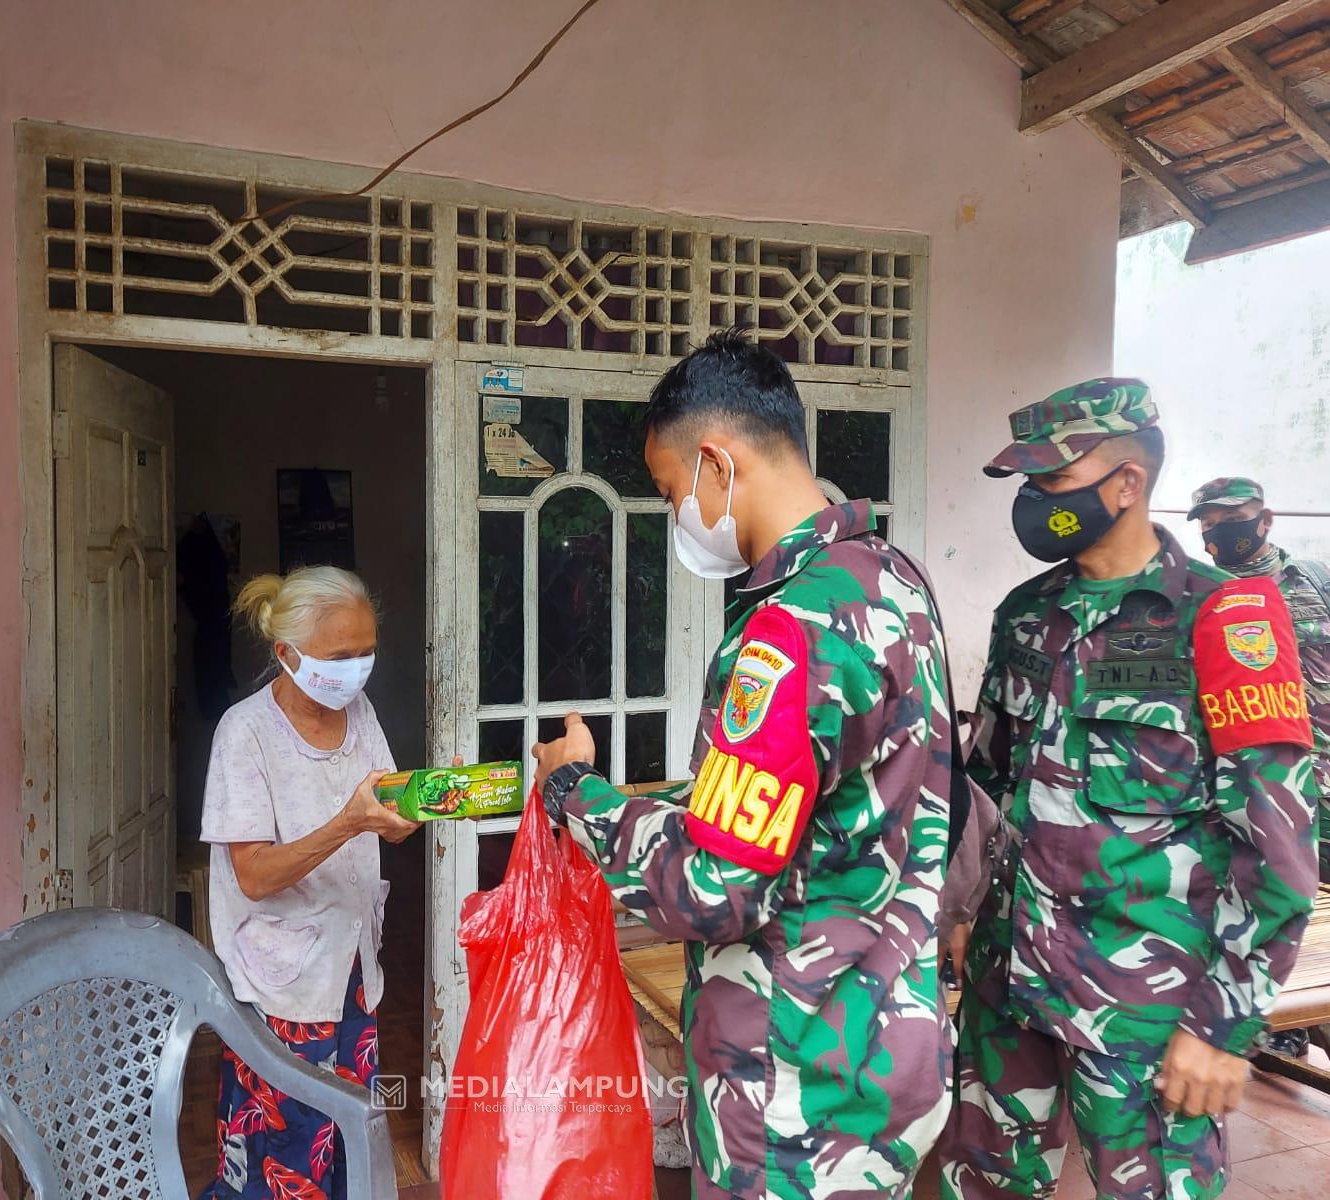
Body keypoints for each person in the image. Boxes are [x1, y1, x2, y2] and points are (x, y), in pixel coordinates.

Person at [532, 328, 955, 1199]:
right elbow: (811, 806)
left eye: (669, 490)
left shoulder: (789, 631)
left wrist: (576, 791)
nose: (674, 515)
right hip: (883, 1050)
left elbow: (713, 889)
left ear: (717, 464)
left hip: (792, 1088)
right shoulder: (892, 581)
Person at [940, 380, 1318, 1200]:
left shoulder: (1224, 618)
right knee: (984, 1185)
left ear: (1127, 483)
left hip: (1145, 1007)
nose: (1037, 502)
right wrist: (962, 912)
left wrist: (1222, 1024)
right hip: (1008, 987)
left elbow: (1279, 845)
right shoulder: (1025, 615)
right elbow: (985, 782)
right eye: (1029, 485)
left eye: (1053, 481)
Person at [200, 565, 419, 1200]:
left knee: (348, 1140)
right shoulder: (245, 733)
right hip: (280, 984)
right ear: (287, 655)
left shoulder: (360, 712)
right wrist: (349, 822)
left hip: (353, 971)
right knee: (281, 1157)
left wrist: (420, 806)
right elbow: (254, 874)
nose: (356, 670)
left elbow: (383, 810)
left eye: (366, 653)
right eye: (340, 656)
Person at [1189, 476, 1330, 1060]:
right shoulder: (1201, 596)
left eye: (1232, 518)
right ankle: (1274, 1021)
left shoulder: (1315, 582)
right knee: (1263, 899)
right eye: (1209, 523)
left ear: (1265, 519)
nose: (1219, 531)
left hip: (1324, 777)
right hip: (1255, 789)